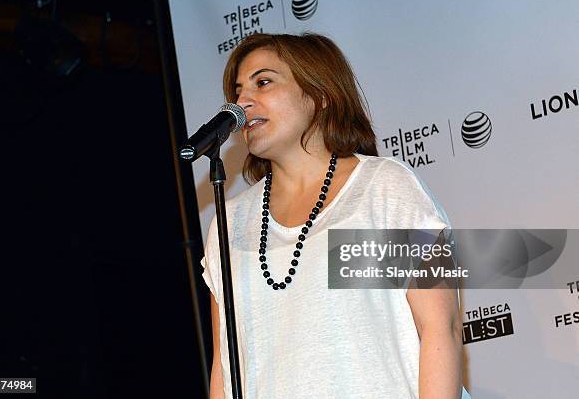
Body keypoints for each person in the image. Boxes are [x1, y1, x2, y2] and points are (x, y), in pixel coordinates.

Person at [200, 33, 470, 399]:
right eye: (238, 91)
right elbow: (225, 366)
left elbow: (443, 327)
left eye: (263, 82)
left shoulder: (386, 188)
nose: (243, 102)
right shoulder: (229, 223)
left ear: (320, 95)